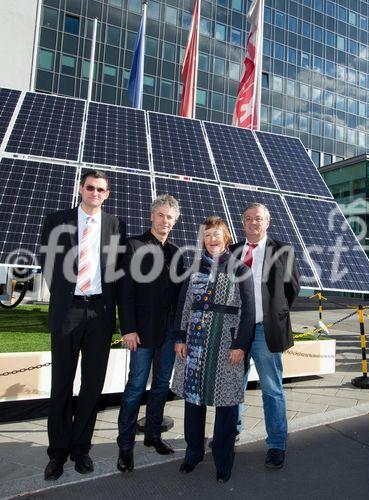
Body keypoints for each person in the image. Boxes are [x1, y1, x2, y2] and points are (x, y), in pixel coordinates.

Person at [40, 169, 126, 480]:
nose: (95, 193)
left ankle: (81, 449)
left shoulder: (116, 225)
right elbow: (47, 261)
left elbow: (117, 270)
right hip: (69, 311)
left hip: (100, 314)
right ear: (81, 188)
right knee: (61, 384)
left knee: (92, 384)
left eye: (101, 189)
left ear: (107, 194)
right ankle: (57, 453)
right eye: (90, 187)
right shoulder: (56, 220)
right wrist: (66, 294)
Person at [172, 216, 255, 483]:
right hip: (195, 344)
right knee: (193, 402)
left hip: (226, 346)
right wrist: (180, 336)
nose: (212, 239)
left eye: (217, 234)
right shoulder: (194, 267)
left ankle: (223, 459)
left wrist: (240, 344)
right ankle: (193, 452)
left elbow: (249, 310)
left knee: (227, 405)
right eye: (207, 235)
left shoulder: (241, 269)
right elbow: (184, 305)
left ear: (226, 237)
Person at [116, 194, 184, 472]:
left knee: (160, 386)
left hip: (169, 331)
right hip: (141, 332)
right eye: (161, 215)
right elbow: (125, 292)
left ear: (174, 221)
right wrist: (128, 329)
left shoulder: (177, 253)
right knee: (134, 388)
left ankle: (153, 436)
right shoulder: (133, 246)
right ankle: (125, 447)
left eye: (170, 217)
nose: (165, 221)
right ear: (151, 216)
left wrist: (180, 333)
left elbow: (181, 296)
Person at [230, 203, 300, 470]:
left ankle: (276, 444)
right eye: (247, 219)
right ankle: (230, 432)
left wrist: (275, 314)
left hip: (264, 330)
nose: (252, 223)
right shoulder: (233, 251)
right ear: (243, 222)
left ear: (267, 222)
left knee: (271, 389)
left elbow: (292, 288)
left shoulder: (283, 250)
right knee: (234, 386)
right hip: (237, 331)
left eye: (257, 219)